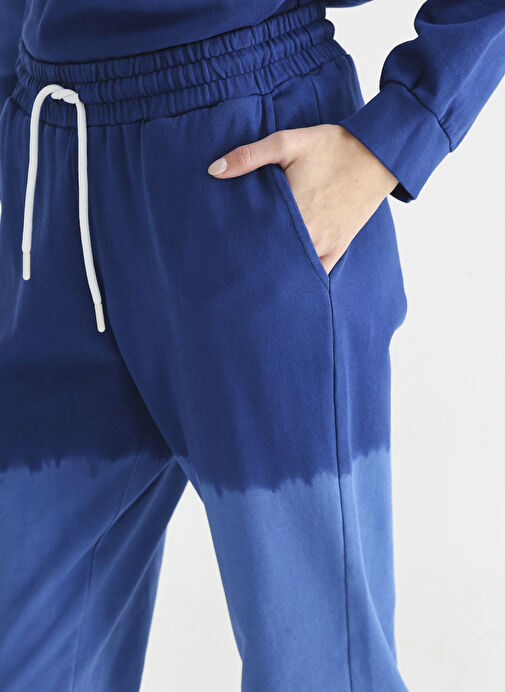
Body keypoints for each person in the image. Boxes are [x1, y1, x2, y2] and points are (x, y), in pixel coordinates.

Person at [0, 1, 503, 690]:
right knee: (22, 654)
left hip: (242, 155)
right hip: (52, 166)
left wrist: (406, 126)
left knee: (315, 665)